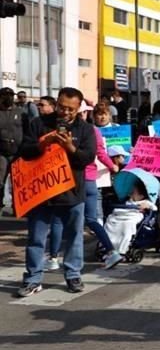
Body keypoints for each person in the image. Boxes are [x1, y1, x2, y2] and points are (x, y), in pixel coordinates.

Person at [17, 87, 97, 297]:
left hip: (71, 192)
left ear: (78, 108)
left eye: (70, 109)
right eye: (62, 107)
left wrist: (70, 147)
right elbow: (24, 152)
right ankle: (33, 278)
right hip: (42, 192)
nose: (65, 112)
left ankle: (73, 274)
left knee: (73, 236)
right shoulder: (39, 124)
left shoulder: (86, 129)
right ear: (57, 103)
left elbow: (87, 159)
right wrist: (44, 143)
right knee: (36, 237)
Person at [86, 103, 124, 268]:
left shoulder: (117, 130)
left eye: (104, 114)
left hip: (111, 171)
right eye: (98, 114)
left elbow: (124, 150)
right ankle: (103, 239)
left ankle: (109, 239)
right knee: (97, 206)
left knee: (109, 204)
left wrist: (118, 161)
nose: (101, 117)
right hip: (95, 172)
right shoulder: (90, 130)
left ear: (109, 115)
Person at [104, 171, 157, 254]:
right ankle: (107, 245)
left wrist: (147, 206)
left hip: (132, 217)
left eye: (134, 192)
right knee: (110, 221)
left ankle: (122, 248)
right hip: (120, 216)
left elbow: (154, 208)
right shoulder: (127, 201)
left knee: (127, 226)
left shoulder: (145, 202)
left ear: (142, 195)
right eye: (132, 191)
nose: (131, 193)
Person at [0, 87, 24, 212]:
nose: (8, 97)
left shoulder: (20, 112)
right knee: (0, 180)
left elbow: (27, 130)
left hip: (17, 153)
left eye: (10, 95)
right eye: (5, 95)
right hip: (2, 153)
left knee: (17, 182)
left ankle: (18, 207)